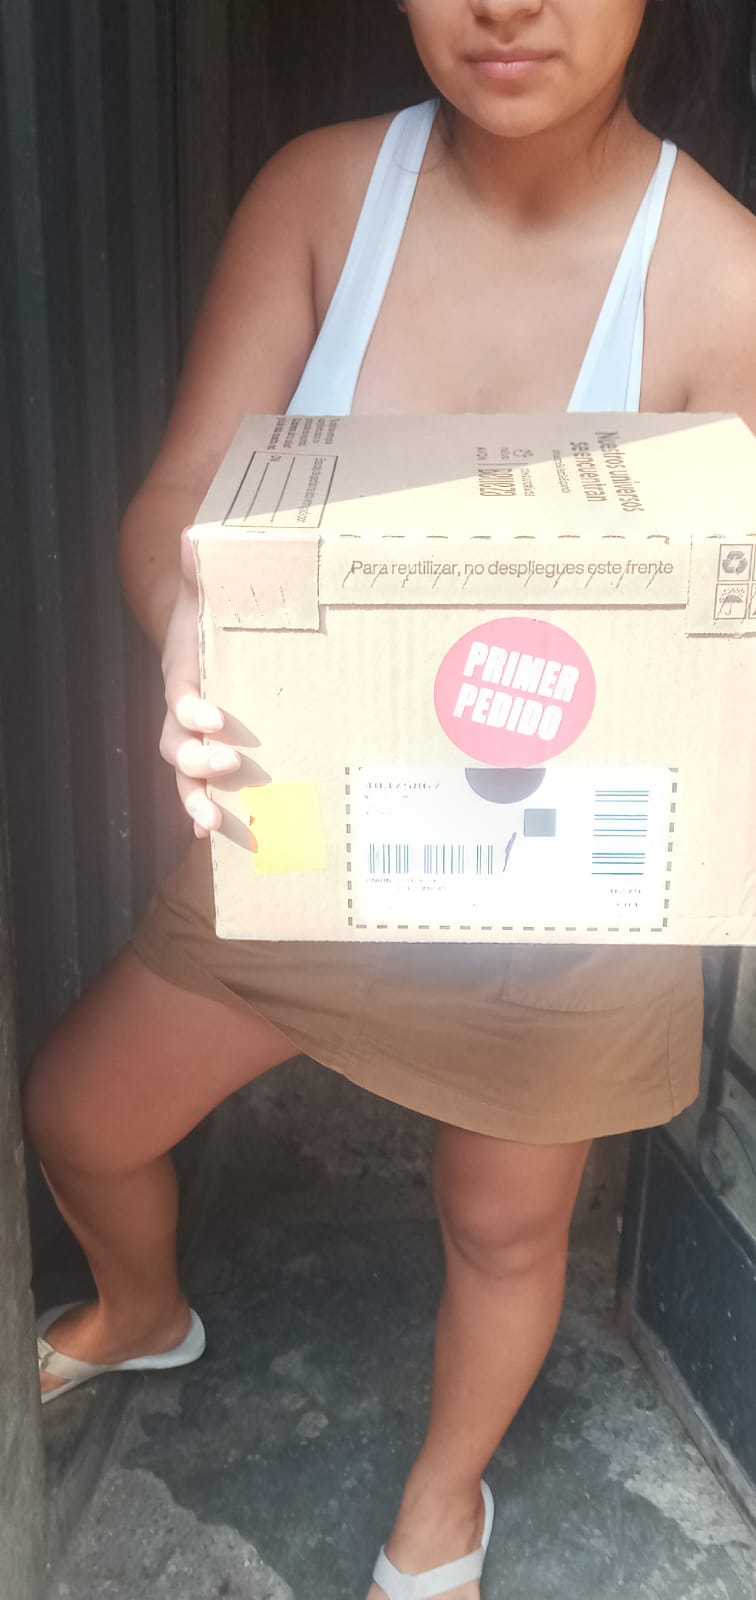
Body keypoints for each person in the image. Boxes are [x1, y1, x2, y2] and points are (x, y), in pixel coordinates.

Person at [25, 2, 756, 1597]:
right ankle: (140, 1308)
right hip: (309, 814)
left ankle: (444, 1494)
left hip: (562, 883)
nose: (509, 5)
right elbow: (177, 498)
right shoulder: (321, 196)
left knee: (503, 1228)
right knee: (81, 1111)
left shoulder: (725, 279)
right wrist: (190, 617)